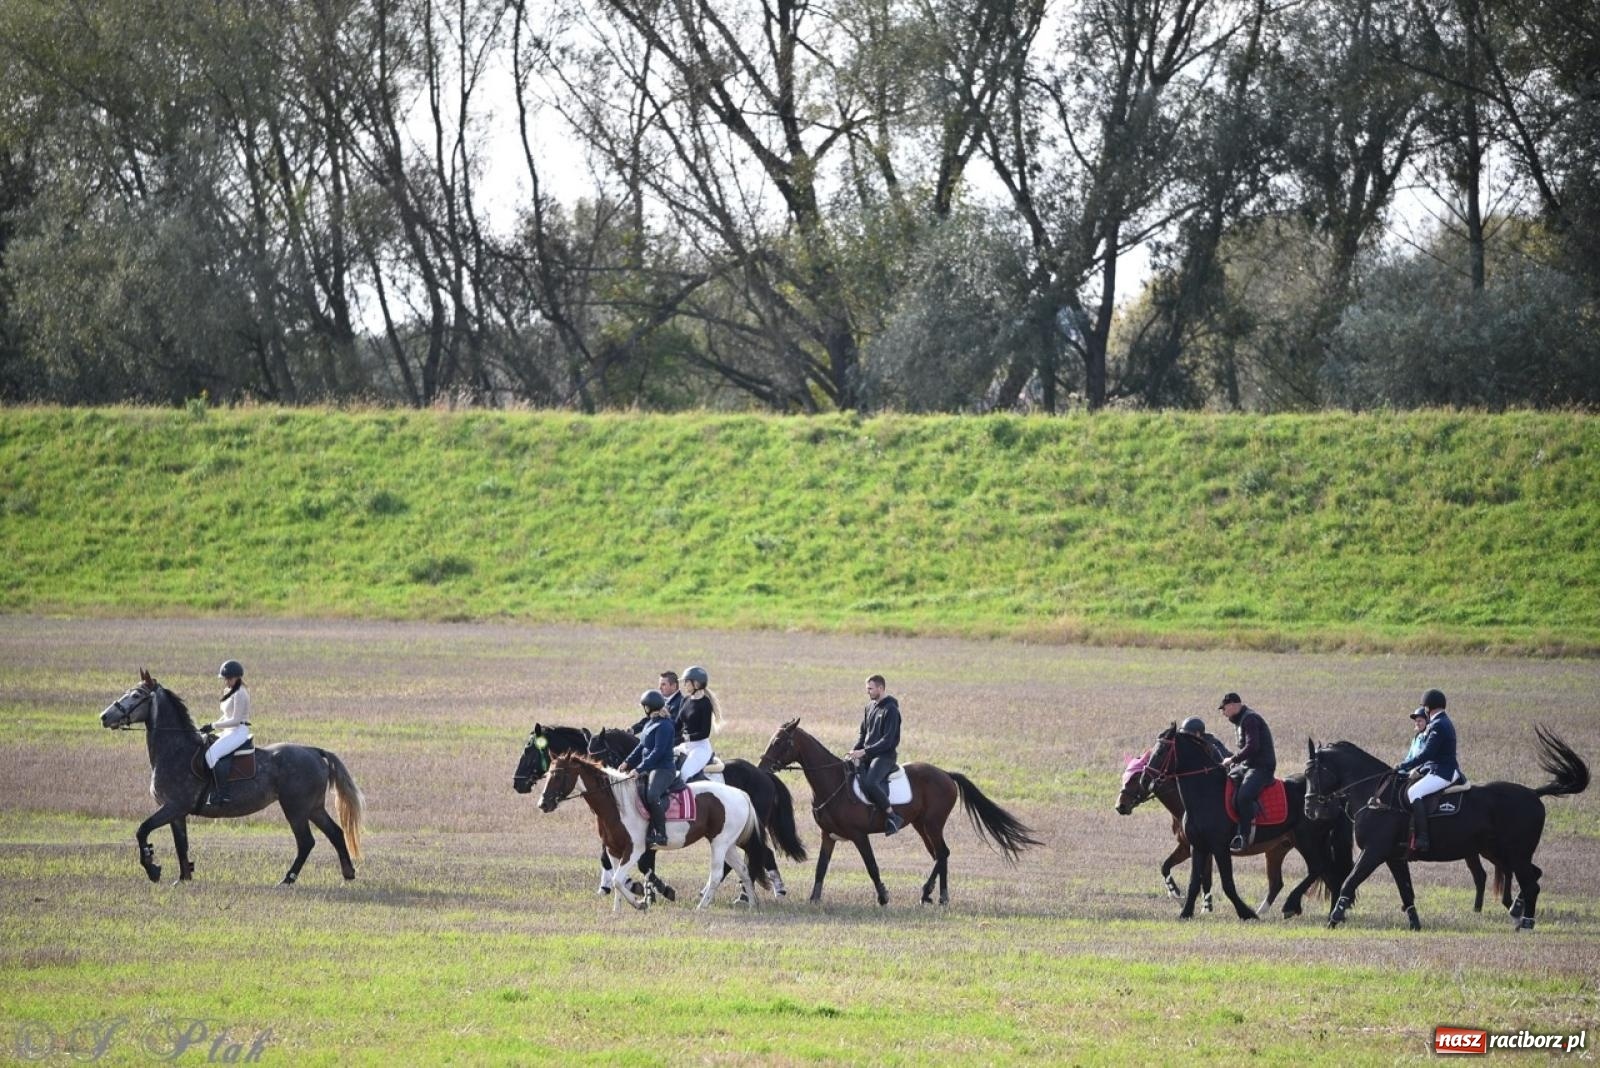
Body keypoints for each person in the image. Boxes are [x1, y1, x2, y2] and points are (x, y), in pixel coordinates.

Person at [1395, 688, 1464, 855]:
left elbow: (1427, 754)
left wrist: (1404, 765)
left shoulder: (1438, 725)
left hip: (1443, 772)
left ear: (1428, 707)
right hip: (1438, 768)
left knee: (1413, 792)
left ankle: (1423, 838)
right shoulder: (1441, 722)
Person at [618, 690, 676, 847]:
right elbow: (641, 746)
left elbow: (658, 752)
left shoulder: (665, 725)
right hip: (650, 768)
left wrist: (639, 769)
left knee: (652, 795)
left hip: (663, 769)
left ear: (648, 707)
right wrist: (626, 763)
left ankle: (661, 834)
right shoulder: (650, 723)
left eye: (644, 706)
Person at [1218, 692, 1275, 852]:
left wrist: (1233, 760)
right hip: (1247, 766)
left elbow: (1252, 746)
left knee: (1244, 796)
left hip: (1261, 767)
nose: (1223, 713)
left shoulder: (1250, 719)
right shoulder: (1240, 720)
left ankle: (1243, 836)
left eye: (1224, 708)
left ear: (1234, 705)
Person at [849, 674, 903, 835]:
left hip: (884, 756)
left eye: (871, 689)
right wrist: (853, 752)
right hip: (868, 754)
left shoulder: (891, 710)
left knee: (871, 782)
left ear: (881, 688)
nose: (868, 692)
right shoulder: (869, 707)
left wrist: (864, 751)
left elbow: (888, 741)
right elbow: (862, 735)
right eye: (867, 689)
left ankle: (892, 816)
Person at [204, 660, 253, 806]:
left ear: (237, 677)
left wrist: (213, 725)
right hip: (229, 730)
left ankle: (223, 794)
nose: (226, 681)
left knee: (211, 755)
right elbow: (227, 715)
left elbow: (236, 720)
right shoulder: (229, 691)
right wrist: (211, 726)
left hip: (238, 731)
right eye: (225, 679)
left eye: (228, 679)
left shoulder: (240, 693)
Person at [673, 665, 720, 784]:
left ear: (696, 683)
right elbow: (677, 725)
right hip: (685, 745)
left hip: (700, 748)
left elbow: (705, 733)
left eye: (686, 682)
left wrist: (686, 737)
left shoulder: (705, 704)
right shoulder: (685, 700)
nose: (684, 685)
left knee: (684, 775)